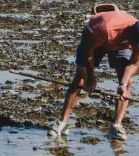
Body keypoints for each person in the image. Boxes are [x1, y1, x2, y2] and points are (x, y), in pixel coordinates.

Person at [48, 8, 139, 141]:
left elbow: (134, 65)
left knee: (127, 82)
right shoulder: (105, 30)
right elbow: (88, 52)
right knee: (80, 78)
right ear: (129, 35)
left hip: (118, 43)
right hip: (95, 37)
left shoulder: (136, 37)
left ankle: (117, 126)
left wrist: (123, 84)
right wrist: (91, 77)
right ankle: (62, 122)